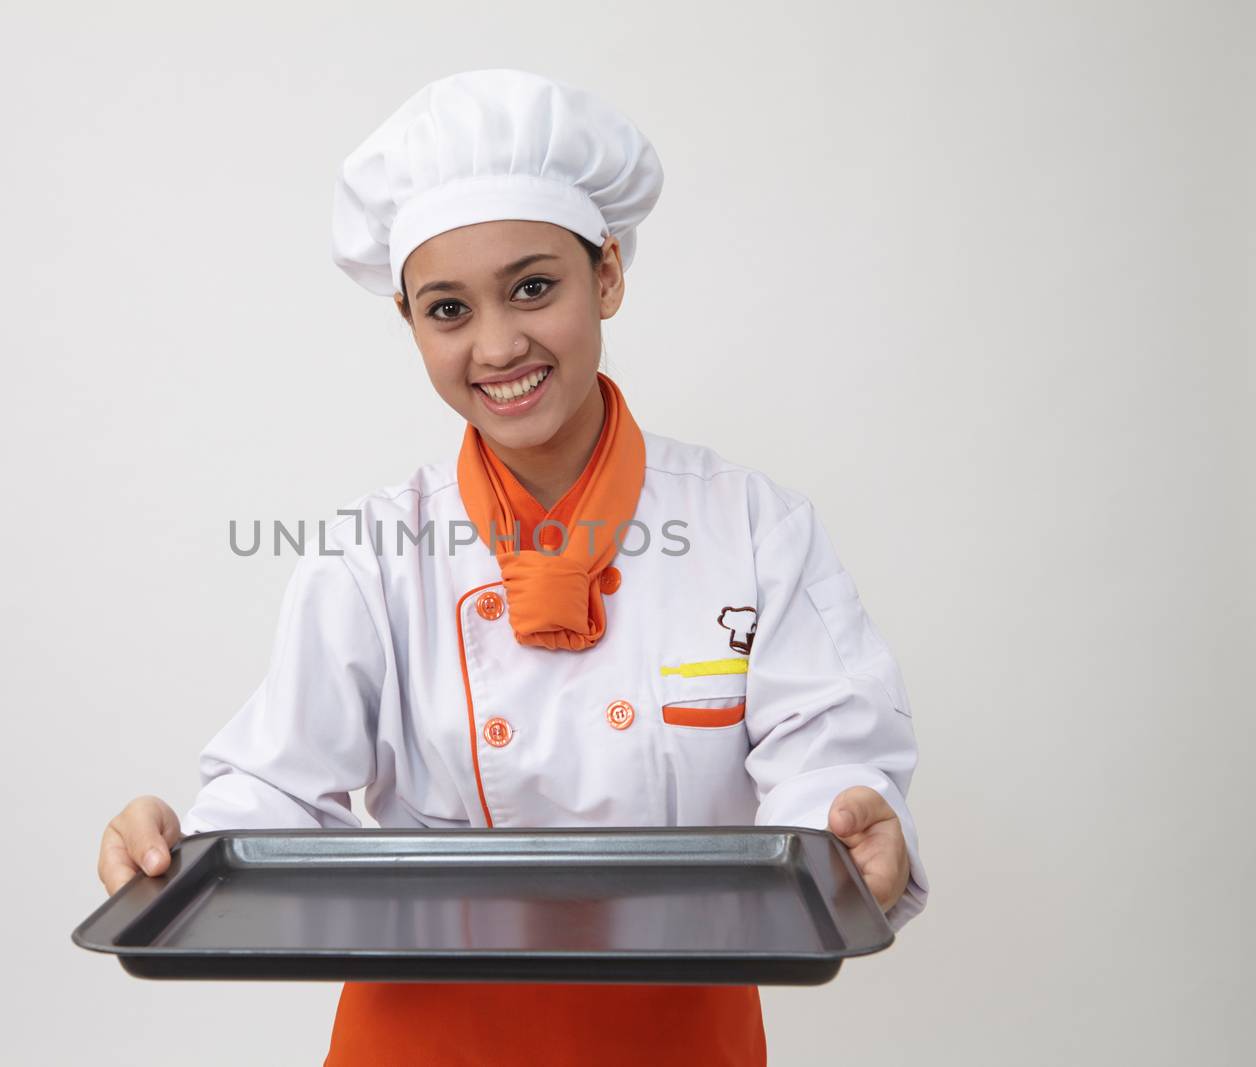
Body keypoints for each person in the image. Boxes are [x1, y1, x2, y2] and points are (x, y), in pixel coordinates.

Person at [96, 68, 928, 1066]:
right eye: (447, 309)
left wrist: (849, 825)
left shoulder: (750, 527)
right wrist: (177, 847)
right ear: (409, 324)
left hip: (677, 1032)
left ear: (607, 275)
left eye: (534, 286)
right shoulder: (371, 554)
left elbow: (823, 768)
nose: (497, 343)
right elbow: (276, 796)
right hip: (417, 1036)